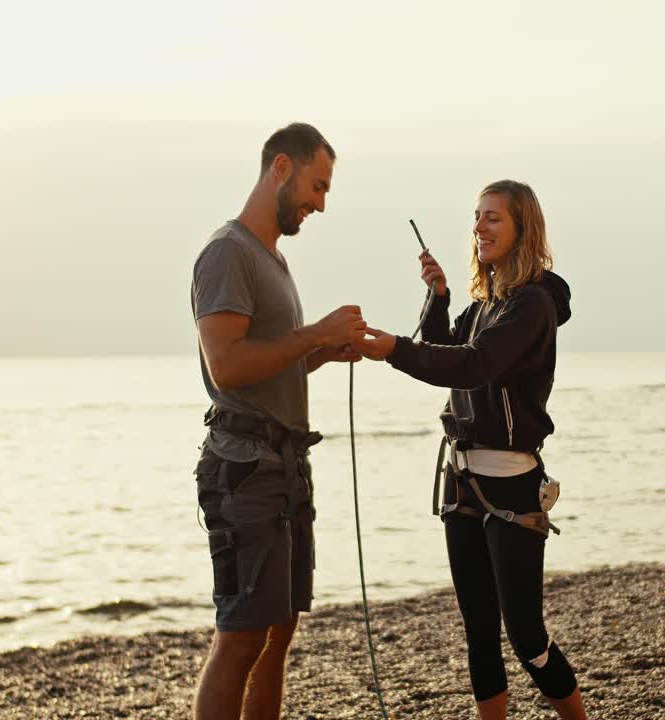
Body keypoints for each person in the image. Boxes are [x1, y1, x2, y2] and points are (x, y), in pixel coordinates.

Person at [354, 180, 588, 719]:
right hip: (459, 481)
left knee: (526, 636)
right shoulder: (485, 305)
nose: (479, 227)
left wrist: (392, 349)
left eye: (493, 218)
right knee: (480, 633)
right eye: (476, 218)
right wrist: (437, 298)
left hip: (511, 483)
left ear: (522, 229)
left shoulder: (530, 306)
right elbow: (444, 353)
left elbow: (475, 365)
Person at [189, 122, 365, 720]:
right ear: (282, 169)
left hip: (285, 467)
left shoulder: (273, 261)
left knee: (278, 634)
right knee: (240, 637)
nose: (321, 202)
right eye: (318, 185)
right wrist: (314, 333)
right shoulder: (227, 253)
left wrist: (324, 350)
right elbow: (228, 364)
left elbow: (272, 362)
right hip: (244, 471)